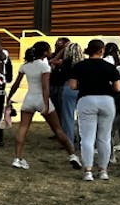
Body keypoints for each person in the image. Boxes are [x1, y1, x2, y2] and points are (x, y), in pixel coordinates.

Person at [5, 41, 82, 171]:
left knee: (23, 128)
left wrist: (9, 98)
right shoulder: (44, 66)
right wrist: (46, 105)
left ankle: (17, 158)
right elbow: (45, 87)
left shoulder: (25, 65)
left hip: (29, 99)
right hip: (42, 99)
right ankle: (72, 155)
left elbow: (16, 84)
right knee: (58, 129)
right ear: (45, 52)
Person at [69, 39, 120, 181]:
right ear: (102, 50)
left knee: (87, 137)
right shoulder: (110, 67)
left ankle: (88, 171)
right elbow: (118, 88)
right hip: (106, 100)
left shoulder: (79, 66)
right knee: (104, 137)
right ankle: (103, 170)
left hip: (86, 99)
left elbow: (73, 86)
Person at [56, 41, 84, 149]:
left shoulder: (65, 63)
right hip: (82, 89)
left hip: (68, 88)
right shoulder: (83, 63)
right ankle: (82, 139)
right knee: (82, 117)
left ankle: (69, 141)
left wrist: (63, 50)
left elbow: (53, 62)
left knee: (67, 116)